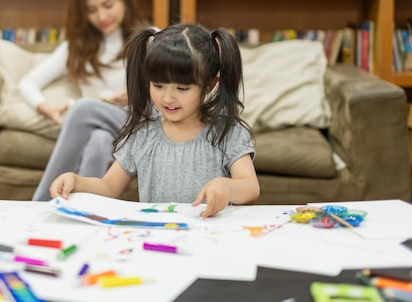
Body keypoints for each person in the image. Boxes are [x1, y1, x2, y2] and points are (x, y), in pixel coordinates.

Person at [49, 23, 261, 218]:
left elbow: (250, 188)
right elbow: (109, 187)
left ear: (209, 85)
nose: (168, 98)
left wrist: (226, 187)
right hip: (156, 238)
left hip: (210, 238)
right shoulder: (144, 133)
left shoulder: (227, 131)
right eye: (158, 85)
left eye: (182, 88)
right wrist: (76, 181)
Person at [19, 0, 149, 201]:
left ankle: (40, 204)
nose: (102, 16)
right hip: (100, 129)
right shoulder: (76, 48)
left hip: (136, 122)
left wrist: (139, 95)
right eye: (91, 10)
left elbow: (175, 88)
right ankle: (81, 212)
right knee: (98, 141)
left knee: (83, 107)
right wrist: (48, 109)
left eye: (108, 5)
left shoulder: (150, 38)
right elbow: (28, 82)